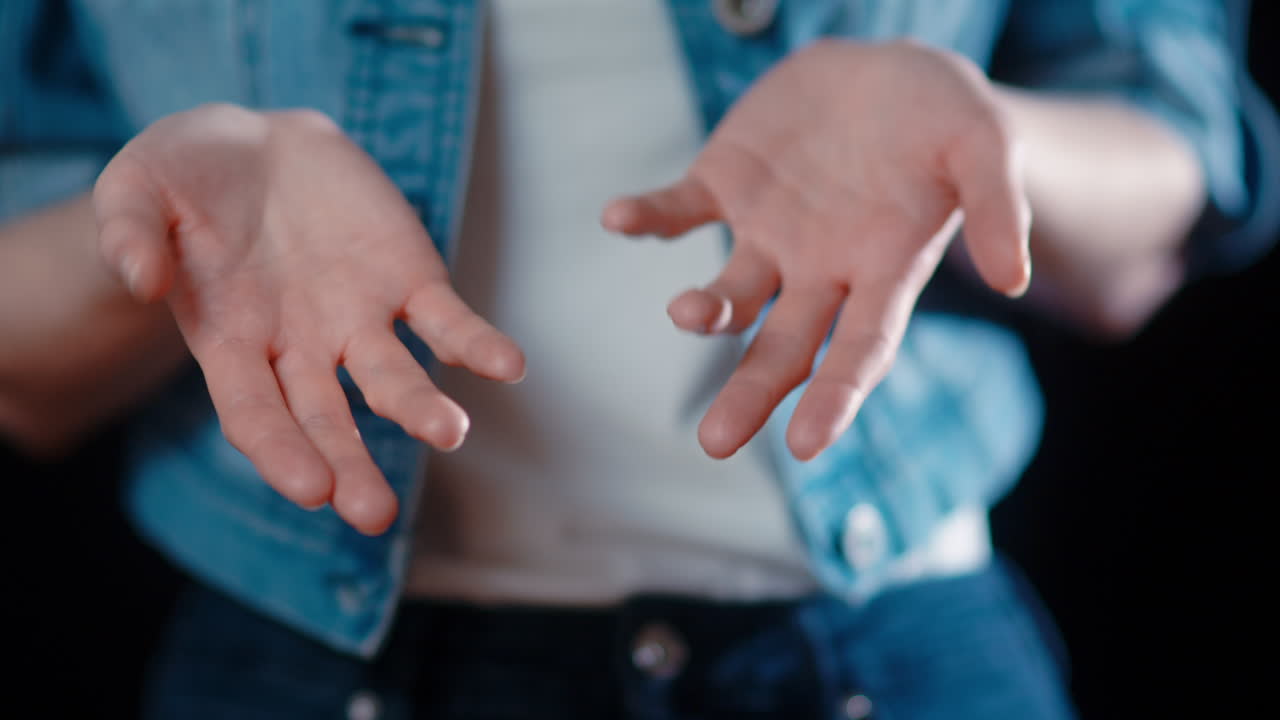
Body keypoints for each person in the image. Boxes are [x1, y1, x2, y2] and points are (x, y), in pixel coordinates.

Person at [1, 0, 1275, 718]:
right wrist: (164, 233)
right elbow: (27, 381)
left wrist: (974, 129)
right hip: (307, 676)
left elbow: (1159, 194)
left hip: (885, 660)